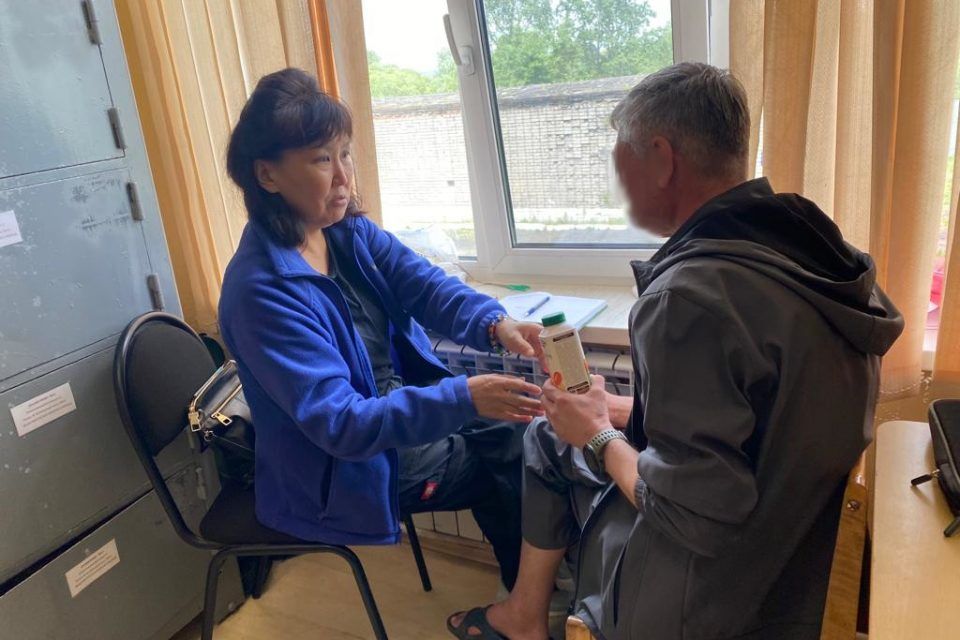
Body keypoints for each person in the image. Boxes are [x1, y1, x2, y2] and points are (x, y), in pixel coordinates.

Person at [448, 62, 904, 639]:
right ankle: (525, 614)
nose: (618, 180)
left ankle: (539, 614)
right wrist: (622, 411)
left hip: (711, 594)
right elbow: (758, 409)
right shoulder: (814, 255)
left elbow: (690, 514)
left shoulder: (688, 298)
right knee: (549, 429)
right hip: (793, 556)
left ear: (662, 159)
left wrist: (599, 434)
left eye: (621, 158)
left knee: (556, 439)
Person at [218, 68, 546, 590]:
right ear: (267, 176)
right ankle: (529, 605)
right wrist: (464, 397)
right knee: (517, 453)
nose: (344, 178)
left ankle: (530, 600)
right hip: (344, 469)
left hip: (390, 413)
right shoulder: (261, 292)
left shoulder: (346, 232)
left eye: (345, 154)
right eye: (322, 160)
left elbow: (425, 285)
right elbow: (342, 425)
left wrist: (495, 322)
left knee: (524, 436)